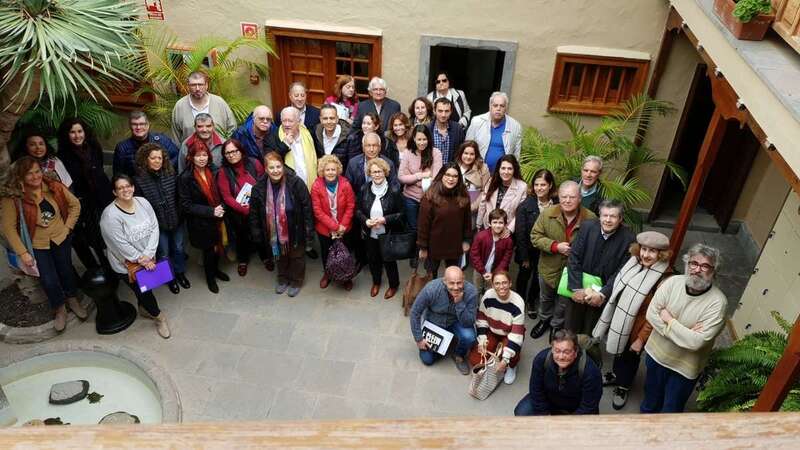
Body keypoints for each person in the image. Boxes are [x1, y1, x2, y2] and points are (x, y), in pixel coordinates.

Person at [640, 243, 728, 414]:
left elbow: (696, 342)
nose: (697, 269)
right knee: (649, 402)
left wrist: (670, 321)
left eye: (705, 266)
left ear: (714, 271)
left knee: (671, 410)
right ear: (687, 264)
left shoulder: (718, 303)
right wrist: (684, 332)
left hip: (684, 368)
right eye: (693, 263)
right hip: (656, 356)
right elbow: (651, 315)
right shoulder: (672, 282)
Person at [1, 157, 83, 332]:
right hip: (37, 245)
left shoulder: (53, 186)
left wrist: (68, 228)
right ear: (20, 177)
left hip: (60, 238)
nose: (34, 176)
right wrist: (23, 253)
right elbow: (8, 228)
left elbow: (75, 205)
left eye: (37, 171)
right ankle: (59, 308)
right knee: (49, 279)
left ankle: (72, 298)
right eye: (28, 174)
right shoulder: (14, 198)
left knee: (66, 270)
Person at [592, 231, 671, 410]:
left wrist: (640, 339)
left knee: (630, 358)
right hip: (620, 322)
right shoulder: (634, 263)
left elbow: (656, 315)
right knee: (619, 353)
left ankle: (623, 386)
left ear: (662, 254)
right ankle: (615, 375)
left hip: (637, 329)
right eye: (643, 249)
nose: (645, 254)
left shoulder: (664, 279)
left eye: (652, 251)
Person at [100, 174, 170, 339]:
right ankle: (159, 317)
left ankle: (143, 308)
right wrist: (142, 259)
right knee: (144, 291)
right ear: (114, 192)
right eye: (120, 188)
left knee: (147, 285)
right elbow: (119, 244)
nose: (125, 190)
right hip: (126, 264)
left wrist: (149, 254)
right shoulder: (110, 216)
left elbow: (154, 226)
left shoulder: (142, 202)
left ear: (133, 186)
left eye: (128, 186)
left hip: (147, 257)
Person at [530, 181, 596, 340]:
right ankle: (544, 320)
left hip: (572, 272)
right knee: (545, 298)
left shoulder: (591, 219)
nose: (567, 200)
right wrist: (554, 246)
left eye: (572, 197)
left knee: (563, 302)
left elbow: (594, 247)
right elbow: (535, 236)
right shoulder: (547, 213)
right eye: (563, 197)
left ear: (580, 198)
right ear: (558, 197)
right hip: (548, 268)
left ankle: (555, 325)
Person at [565, 199, 635, 335]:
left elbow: (621, 272)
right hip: (579, 289)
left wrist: (603, 294)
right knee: (570, 329)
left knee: (591, 332)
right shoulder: (587, 227)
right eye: (605, 215)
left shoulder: (629, 239)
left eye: (613, 216)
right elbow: (574, 257)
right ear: (599, 216)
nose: (608, 220)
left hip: (601, 295)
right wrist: (577, 288)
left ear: (620, 219)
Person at [249, 152, 314, 297]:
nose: (276, 170)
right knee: (279, 256)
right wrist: (257, 233)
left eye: (278, 166)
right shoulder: (259, 188)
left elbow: (307, 207)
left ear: (283, 166)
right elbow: (253, 214)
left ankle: (296, 281)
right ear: (266, 169)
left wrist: (309, 230)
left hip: (296, 229)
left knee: (297, 257)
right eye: (271, 168)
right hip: (273, 232)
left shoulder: (296, 183)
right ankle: (282, 279)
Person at [57, 118, 113, 273]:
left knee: (112, 232)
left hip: (104, 197)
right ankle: (106, 271)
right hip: (84, 204)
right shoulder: (62, 156)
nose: (77, 135)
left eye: (79, 131)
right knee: (95, 239)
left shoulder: (94, 147)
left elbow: (99, 169)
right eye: (72, 132)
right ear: (66, 135)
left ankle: (120, 267)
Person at [133, 143, 189, 295]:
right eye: (153, 158)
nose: (157, 161)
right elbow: (141, 207)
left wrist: (180, 215)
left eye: (160, 158)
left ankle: (180, 273)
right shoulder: (139, 180)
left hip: (176, 219)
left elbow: (179, 197)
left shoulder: (171, 173)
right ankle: (169, 279)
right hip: (157, 225)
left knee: (178, 248)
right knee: (163, 253)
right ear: (146, 159)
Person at [179, 140, 230, 294]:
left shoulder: (215, 171)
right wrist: (211, 211)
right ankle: (210, 278)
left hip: (218, 218)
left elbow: (224, 191)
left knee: (217, 249)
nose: (202, 158)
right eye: (197, 155)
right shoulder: (185, 178)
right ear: (191, 157)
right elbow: (186, 205)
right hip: (201, 222)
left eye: (204, 155)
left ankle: (216, 271)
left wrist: (222, 207)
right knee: (208, 251)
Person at [514, 329, 602, 415]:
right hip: (549, 401)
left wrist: (566, 425)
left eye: (567, 352)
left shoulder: (590, 371)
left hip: (576, 408)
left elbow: (588, 407)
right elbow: (536, 390)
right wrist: (545, 415)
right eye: (557, 351)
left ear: (575, 352)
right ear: (552, 350)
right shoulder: (541, 360)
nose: (561, 357)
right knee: (521, 412)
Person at [409, 266, 478, 375]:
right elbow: (415, 312)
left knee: (469, 337)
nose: (456, 287)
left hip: (457, 320)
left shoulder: (471, 292)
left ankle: (458, 354)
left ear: (463, 279)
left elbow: (468, 321)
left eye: (459, 283)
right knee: (428, 359)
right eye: (451, 283)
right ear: (444, 281)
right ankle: (443, 346)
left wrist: (459, 303)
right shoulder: (431, 289)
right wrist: (419, 339)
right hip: (435, 321)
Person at [216, 138, 267, 277]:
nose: (231, 155)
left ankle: (265, 256)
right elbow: (226, 197)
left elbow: (264, 185)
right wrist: (245, 210)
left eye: (234, 151)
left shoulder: (254, 163)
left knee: (261, 234)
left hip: (258, 209)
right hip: (238, 213)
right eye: (228, 153)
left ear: (241, 151)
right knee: (241, 237)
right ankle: (243, 260)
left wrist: (256, 207)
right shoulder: (223, 172)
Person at [356, 158, 405, 299]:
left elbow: (402, 214)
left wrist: (385, 220)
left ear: (385, 172)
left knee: (389, 260)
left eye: (379, 171)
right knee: (373, 259)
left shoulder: (394, 190)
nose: (377, 175)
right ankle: (376, 282)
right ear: (369, 174)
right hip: (370, 233)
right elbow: (358, 211)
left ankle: (393, 285)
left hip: (387, 234)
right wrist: (366, 221)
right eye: (373, 172)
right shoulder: (364, 188)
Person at [468, 271, 526, 385]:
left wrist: (505, 360)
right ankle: (496, 353)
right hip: (492, 330)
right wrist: (482, 339)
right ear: (493, 285)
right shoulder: (488, 295)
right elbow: (482, 318)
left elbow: (516, 335)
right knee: (474, 360)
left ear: (510, 283)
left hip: (510, 333)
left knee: (510, 354)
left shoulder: (518, 302)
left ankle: (512, 366)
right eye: (497, 283)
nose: (501, 287)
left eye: (504, 283)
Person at [417, 163, 473, 277]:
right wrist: (423, 247)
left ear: (459, 178)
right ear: (441, 175)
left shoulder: (463, 195)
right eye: (447, 175)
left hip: (454, 244)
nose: (451, 179)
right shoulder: (430, 196)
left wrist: (466, 240)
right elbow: (423, 225)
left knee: (453, 276)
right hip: (433, 245)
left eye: (455, 176)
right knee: (431, 278)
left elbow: (467, 221)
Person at [514, 169, 557, 320]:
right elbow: (520, 233)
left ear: (550, 185)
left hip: (547, 251)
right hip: (528, 250)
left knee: (539, 278)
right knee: (524, 276)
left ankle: (532, 301)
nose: (539, 188)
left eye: (543, 185)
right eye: (536, 184)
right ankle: (519, 302)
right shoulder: (525, 205)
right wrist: (524, 257)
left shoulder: (557, 205)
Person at [399, 124, 443, 269]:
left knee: (429, 228)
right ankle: (415, 254)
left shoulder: (436, 153)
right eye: (419, 139)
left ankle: (428, 255)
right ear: (414, 139)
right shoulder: (407, 153)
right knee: (413, 228)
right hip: (410, 198)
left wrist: (413, 179)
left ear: (429, 139)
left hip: (430, 198)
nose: (422, 142)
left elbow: (436, 178)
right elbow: (401, 177)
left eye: (424, 139)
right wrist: (421, 176)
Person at [311, 155, 356, 291]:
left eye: (333, 169)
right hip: (325, 229)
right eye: (327, 169)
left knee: (345, 254)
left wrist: (342, 226)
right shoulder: (316, 185)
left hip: (344, 227)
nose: (330, 172)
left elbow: (351, 205)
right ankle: (328, 274)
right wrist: (335, 227)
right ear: (322, 171)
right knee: (326, 253)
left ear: (338, 171)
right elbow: (317, 211)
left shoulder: (345, 184)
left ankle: (346, 277)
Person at [171, 71, 236, 144]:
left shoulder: (219, 102)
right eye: (193, 85)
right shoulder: (180, 106)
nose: (197, 88)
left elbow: (232, 128)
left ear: (206, 85)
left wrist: (226, 147)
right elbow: (176, 136)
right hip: (192, 153)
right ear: (188, 86)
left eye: (200, 84)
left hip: (219, 152)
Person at [264, 106, 319, 191]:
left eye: (290, 121)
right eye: (284, 121)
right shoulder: (271, 137)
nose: (286, 124)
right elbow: (270, 160)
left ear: (299, 122)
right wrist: (285, 145)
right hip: (287, 188)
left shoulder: (308, 134)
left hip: (309, 185)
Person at [465, 92, 522, 173]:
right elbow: (467, 147)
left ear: (506, 108)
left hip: (502, 175)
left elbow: (516, 156)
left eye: (502, 106)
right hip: (477, 172)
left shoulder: (515, 126)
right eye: (495, 105)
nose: (498, 109)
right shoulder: (477, 122)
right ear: (490, 106)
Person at [114, 111, 179, 177]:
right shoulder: (122, 148)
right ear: (130, 126)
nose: (138, 127)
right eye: (134, 124)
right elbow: (118, 174)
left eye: (142, 124)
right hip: (136, 184)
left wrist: (164, 169)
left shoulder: (162, 140)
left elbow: (177, 156)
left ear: (147, 125)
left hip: (162, 182)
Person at [476, 154, 527, 232]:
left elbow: (520, 213)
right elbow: (483, 204)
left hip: (506, 229)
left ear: (514, 170)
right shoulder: (491, 181)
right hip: (488, 226)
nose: (506, 172)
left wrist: (509, 229)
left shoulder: (522, 187)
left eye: (510, 169)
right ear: (498, 169)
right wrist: (478, 224)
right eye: (503, 168)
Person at [470, 209, 513, 293]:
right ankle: (476, 305)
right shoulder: (481, 236)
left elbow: (506, 260)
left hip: (496, 272)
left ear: (505, 224)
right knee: (476, 290)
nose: (497, 225)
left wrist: (494, 273)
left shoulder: (508, 241)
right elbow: (474, 255)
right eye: (495, 222)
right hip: (479, 270)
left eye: (501, 223)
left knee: (491, 291)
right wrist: (483, 271)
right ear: (489, 223)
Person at [344, 131, 398, 197]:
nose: (371, 149)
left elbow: (394, 187)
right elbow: (348, 188)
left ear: (380, 147)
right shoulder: (353, 163)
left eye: (374, 145)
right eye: (368, 145)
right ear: (363, 148)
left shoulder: (388, 163)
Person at [454, 141, 490, 226]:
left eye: (472, 154)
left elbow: (486, 190)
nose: (468, 157)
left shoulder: (482, 168)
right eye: (465, 153)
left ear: (476, 155)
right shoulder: (455, 166)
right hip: (456, 208)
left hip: (474, 209)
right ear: (461, 153)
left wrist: (472, 207)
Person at [428, 98, 465, 164]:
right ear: (434, 111)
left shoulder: (457, 129)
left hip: (451, 171)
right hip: (432, 170)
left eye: (447, 111)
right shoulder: (428, 129)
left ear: (451, 111)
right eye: (440, 111)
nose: (443, 115)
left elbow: (461, 151)